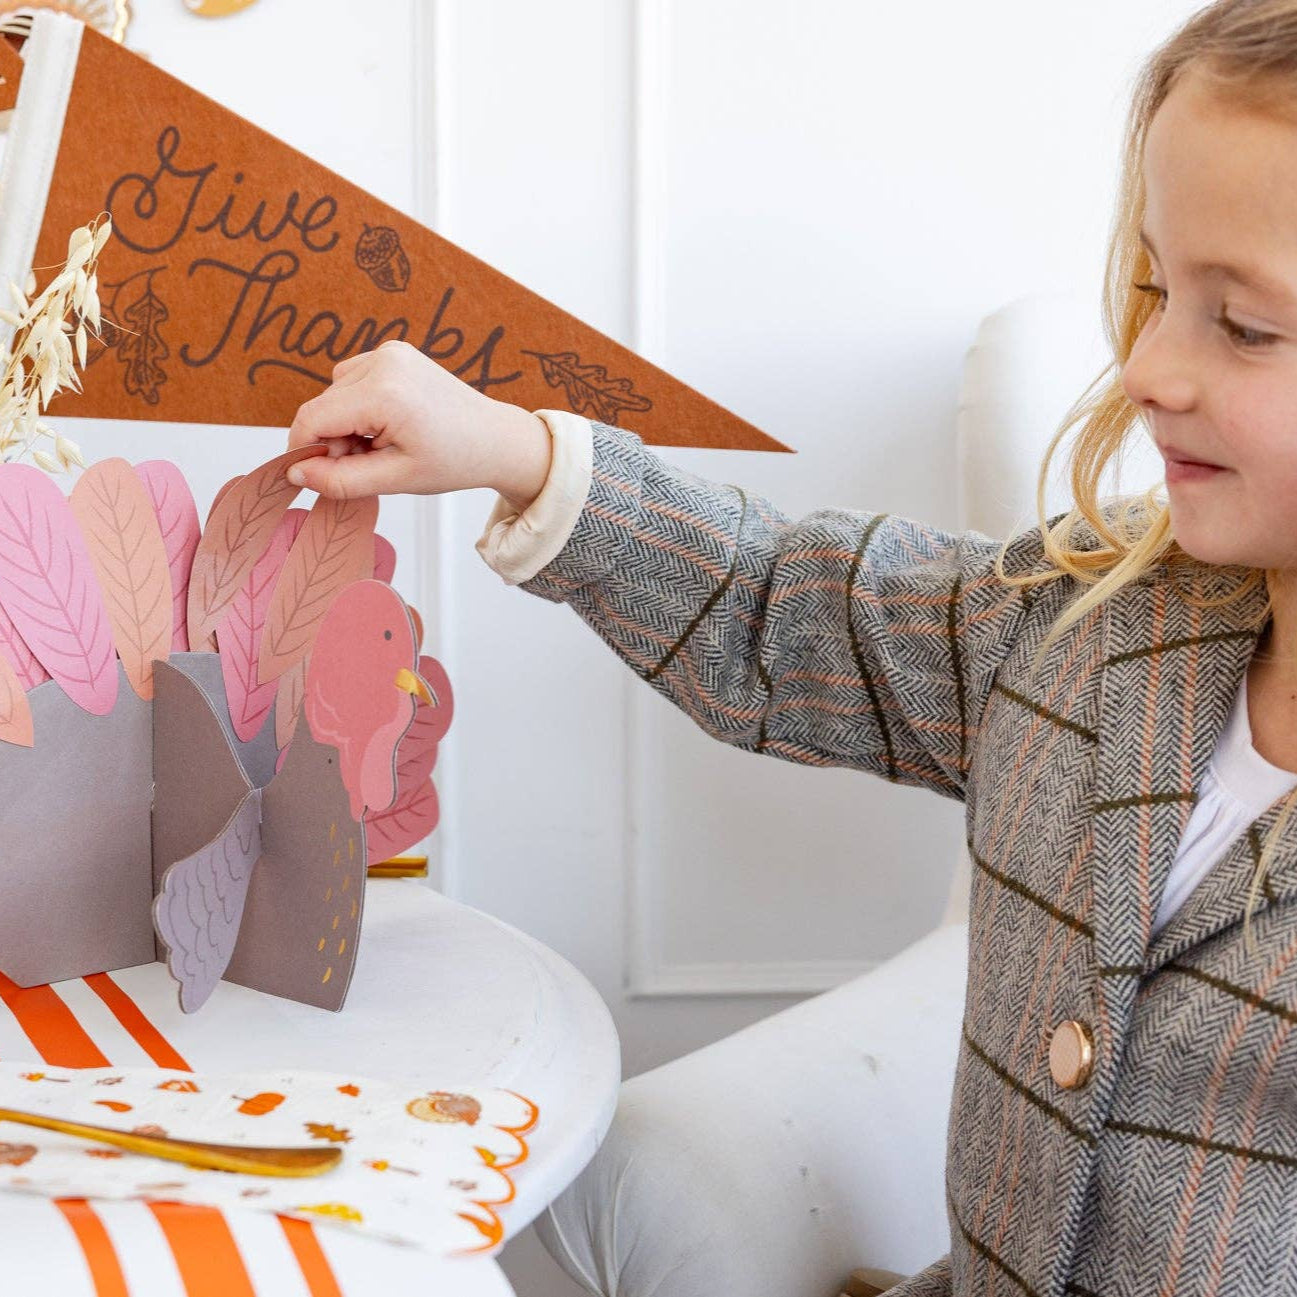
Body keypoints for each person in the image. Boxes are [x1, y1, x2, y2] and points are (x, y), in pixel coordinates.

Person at [284, 1, 1297, 1291]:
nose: (1149, 364)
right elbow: (790, 609)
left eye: (1245, 325)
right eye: (1156, 286)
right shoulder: (1096, 621)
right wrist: (514, 452)